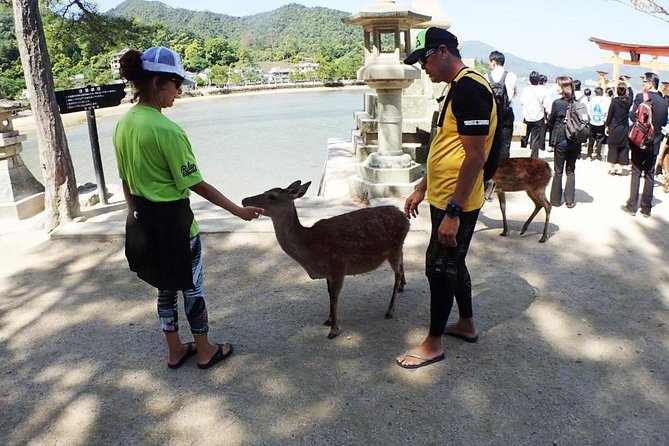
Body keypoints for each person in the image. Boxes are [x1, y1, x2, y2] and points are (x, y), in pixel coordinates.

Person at [114, 46, 264, 370]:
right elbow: (197, 183)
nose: (179, 91)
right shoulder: (167, 130)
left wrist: (135, 217)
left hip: (144, 222)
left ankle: (175, 350)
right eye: (175, 83)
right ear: (157, 82)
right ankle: (205, 349)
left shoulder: (124, 125)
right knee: (192, 288)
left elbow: (125, 180)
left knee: (165, 289)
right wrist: (238, 211)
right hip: (176, 226)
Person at [396, 27, 496, 369]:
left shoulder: (470, 89)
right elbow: (447, 147)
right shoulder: (456, 88)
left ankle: (433, 343)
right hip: (444, 196)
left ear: (441, 51)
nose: (422, 67)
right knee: (454, 263)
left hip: (459, 202)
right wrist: (423, 187)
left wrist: (454, 211)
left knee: (438, 269)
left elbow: (475, 157)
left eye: (423, 59)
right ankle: (466, 323)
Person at [622, 72, 669, 217]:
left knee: (636, 171)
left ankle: (632, 206)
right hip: (655, 142)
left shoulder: (641, 97)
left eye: (644, 82)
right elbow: (663, 122)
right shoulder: (664, 101)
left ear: (650, 83)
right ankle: (646, 208)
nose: (643, 85)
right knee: (649, 173)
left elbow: (631, 116)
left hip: (639, 140)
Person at [547, 76, 581, 208]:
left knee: (558, 171)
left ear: (562, 87)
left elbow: (551, 121)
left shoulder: (557, 103)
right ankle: (569, 200)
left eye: (557, 85)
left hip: (561, 140)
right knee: (571, 170)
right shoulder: (578, 104)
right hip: (575, 141)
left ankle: (555, 200)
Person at [487, 50, 516, 160]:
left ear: (493, 61)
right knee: (505, 144)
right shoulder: (511, 76)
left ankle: (490, 170)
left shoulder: (486, 76)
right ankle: (504, 169)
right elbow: (512, 94)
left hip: (492, 113)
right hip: (507, 113)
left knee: (490, 142)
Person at [605, 82, 631, 175]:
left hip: (614, 126)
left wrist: (607, 125)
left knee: (612, 147)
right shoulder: (628, 102)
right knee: (623, 147)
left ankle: (612, 167)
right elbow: (631, 95)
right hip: (624, 127)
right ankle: (620, 168)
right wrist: (629, 85)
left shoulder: (614, 101)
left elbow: (610, 115)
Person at [520, 70, 546, 157]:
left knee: (524, 137)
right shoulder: (543, 91)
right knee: (535, 139)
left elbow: (522, 102)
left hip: (526, 117)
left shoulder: (525, 90)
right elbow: (545, 105)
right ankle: (533, 158)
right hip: (538, 117)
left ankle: (522, 155)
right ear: (539, 80)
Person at [586, 87, 608, 161]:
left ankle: (589, 154)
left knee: (591, 139)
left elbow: (588, 111)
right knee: (600, 139)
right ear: (602, 93)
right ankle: (598, 154)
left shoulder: (592, 100)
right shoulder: (604, 101)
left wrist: (591, 117)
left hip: (592, 122)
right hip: (601, 123)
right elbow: (606, 112)